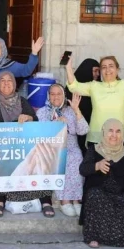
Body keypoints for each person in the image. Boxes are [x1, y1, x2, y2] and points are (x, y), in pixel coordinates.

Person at [0, 55, 52, 218]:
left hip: (22, 150)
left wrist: (28, 118)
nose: (6, 83)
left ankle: (45, 201)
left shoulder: (22, 101)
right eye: (3, 81)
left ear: (14, 84)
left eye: (9, 80)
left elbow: (35, 121)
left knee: (39, 160)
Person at [79, 119, 124, 248]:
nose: (114, 135)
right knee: (94, 195)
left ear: (122, 135)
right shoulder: (94, 150)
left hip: (121, 195)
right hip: (101, 195)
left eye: (118, 131)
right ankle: (94, 237)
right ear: (104, 132)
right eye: (110, 131)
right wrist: (97, 165)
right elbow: (83, 170)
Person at [66, 49, 124, 144]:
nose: (108, 70)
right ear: (101, 70)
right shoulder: (94, 86)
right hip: (97, 136)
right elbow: (74, 87)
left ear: (117, 69)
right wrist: (68, 67)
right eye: (104, 67)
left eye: (111, 66)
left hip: (120, 134)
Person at [36, 84, 89, 217]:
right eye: (52, 94)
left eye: (59, 94)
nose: (56, 97)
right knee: (61, 159)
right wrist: (56, 125)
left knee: (76, 158)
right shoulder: (42, 112)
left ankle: (77, 200)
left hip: (71, 146)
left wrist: (77, 111)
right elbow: (39, 134)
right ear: (48, 96)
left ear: (64, 95)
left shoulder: (70, 111)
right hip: (51, 148)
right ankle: (65, 201)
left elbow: (83, 130)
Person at [65, 58, 100, 155]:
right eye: (95, 71)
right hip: (75, 130)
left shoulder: (99, 86)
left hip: (93, 129)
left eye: (98, 71)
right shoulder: (73, 88)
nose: (97, 74)